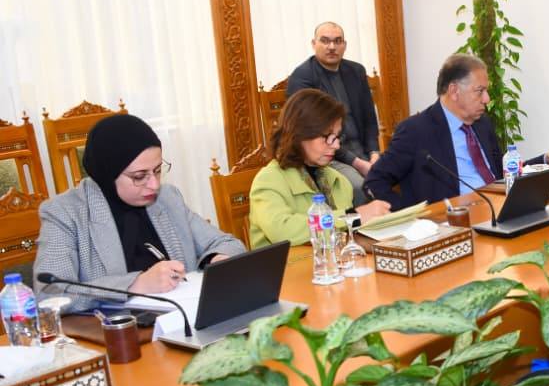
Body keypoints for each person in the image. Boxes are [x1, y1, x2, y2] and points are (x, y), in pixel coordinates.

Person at [34, 114, 244, 313]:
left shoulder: (167, 198)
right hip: (115, 331)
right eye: (139, 176)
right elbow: (49, 293)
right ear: (108, 173)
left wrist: (218, 259)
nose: (154, 184)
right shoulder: (65, 213)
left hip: (181, 319)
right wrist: (135, 285)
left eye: (157, 170)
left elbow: (227, 243)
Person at [364, 54, 549, 209]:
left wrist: (544, 161)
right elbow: (374, 182)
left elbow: (501, 174)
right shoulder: (416, 131)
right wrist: (412, 214)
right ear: (454, 91)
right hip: (457, 221)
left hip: (498, 208)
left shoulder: (482, 124)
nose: (487, 99)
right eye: (480, 91)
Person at [248, 88, 391, 247]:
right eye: (327, 137)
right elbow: (282, 230)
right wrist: (351, 217)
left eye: (337, 137)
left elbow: (344, 237)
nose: (336, 145)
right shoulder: (269, 180)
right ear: (300, 134)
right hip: (288, 263)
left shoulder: (338, 180)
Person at [286, 22, 381, 204]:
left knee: (403, 172)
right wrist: (358, 163)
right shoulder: (303, 77)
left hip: (362, 150)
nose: (331, 47)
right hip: (327, 156)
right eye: (325, 41)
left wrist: (374, 154)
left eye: (337, 41)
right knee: (358, 187)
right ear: (314, 44)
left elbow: (370, 119)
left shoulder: (356, 71)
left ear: (344, 45)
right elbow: (311, 134)